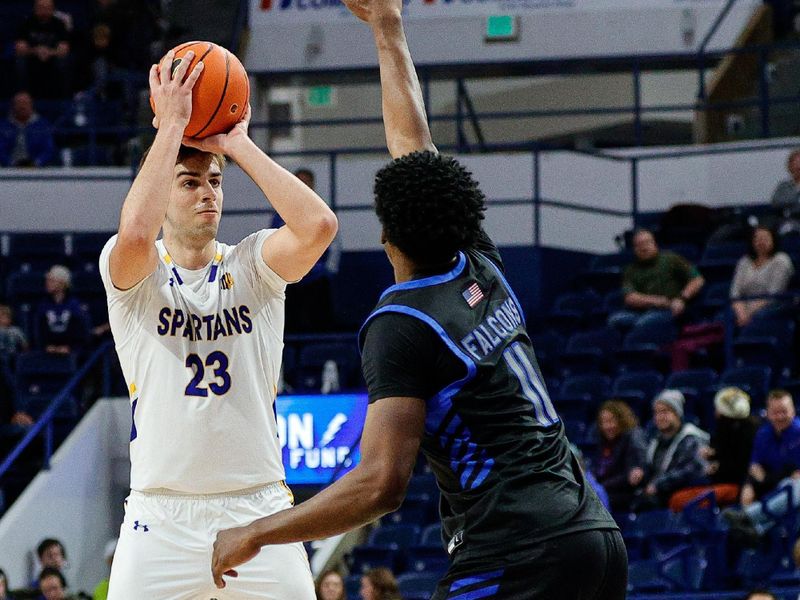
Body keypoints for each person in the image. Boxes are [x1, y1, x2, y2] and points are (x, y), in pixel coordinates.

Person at [210, 0, 627, 597]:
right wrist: (387, 27)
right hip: (593, 534)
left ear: (386, 235)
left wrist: (256, 532)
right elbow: (414, 143)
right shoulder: (476, 260)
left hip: (518, 549)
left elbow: (381, 484)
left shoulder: (402, 321)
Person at [99, 44, 337, 599]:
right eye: (189, 182)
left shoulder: (252, 265)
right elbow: (136, 233)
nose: (207, 192)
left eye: (215, 181)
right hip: (160, 515)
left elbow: (318, 227)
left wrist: (236, 143)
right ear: (161, 195)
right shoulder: (135, 269)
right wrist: (174, 125)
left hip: (257, 508)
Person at [723, 391, 800, 540]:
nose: (780, 417)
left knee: (793, 486)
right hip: (773, 488)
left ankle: (749, 516)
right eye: (775, 412)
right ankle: (758, 529)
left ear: (793, 410)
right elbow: (755, 469)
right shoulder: (763, 434)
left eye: (784, 412)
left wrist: (772, 477)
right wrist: (749, 484)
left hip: (790, 489)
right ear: (768, 413)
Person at [271, 168, 340, 333]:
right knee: (288, 327)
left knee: (321, 326)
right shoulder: (281, 211)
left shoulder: (322, 210)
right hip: (289, 278)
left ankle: (324, 356)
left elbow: (335, 242)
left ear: (312, 185)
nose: (303, 185)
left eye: (306, 182)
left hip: (316, 278)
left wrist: (327, 270)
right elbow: (273, 242)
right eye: (299, 181)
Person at [608, 229, 705, 331]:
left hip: (668, 309)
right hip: (640, 311)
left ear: (655, 244)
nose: (644, 247)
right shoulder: (630, 270)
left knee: (644, 323)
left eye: (647, 243)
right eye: (639, 245)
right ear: (634, 249)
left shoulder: (671, 259)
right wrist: (656, 301)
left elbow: (698, 280)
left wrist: (682, 298)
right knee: (614, 320)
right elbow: (630, 297)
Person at [634, 389, 709, 511]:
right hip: (658, 493)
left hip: (681, 494)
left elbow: (689, 471)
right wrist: (640, 472)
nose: (659, 417)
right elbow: (650, 468)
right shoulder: (655, 440)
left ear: (677, 413)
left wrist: (658, 485)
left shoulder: (691, 438)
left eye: (665, 412)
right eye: (656, 413)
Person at [730, 226, 794, 327]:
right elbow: (735, 293)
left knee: (758, 317)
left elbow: (773, 295)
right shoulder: (744, 261)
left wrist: (749, 312)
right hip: (744, 306)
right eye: (757, 239)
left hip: (772, 305)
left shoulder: (781, 260)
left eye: (765, 238)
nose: (761, 242)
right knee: (724, 317)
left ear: (773, 239)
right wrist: (741, 312)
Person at [592, 400, 647, 512]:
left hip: (624, 495)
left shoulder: (632, 437)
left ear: (621, 420)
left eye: (611, 421)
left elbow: (631, 476)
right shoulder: (603, 442)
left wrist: (602, 486)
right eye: (603, 422)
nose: (607, 426)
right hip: (604, 490)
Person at [14, 0, 72, 99]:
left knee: (63, 61)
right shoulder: (26, 23)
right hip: (31, 56)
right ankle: (23, 97)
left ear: (53, 9)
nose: (44, 11)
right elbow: (19, 48)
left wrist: (49, 52)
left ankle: (62, 98)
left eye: (47, 8)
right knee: (20, 61)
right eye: (41, 7)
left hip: (53, 57)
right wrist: (36, 51)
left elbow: (64, 49)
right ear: (35, 9)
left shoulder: (59, 24)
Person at [34, 266, 90, 355]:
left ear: (62, 283)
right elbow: (39, 330)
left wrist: (70, 347)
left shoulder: (74, 305)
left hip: (72, 353)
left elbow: (81, 331)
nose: (47, 283)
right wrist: (46, 346)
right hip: (47, 351)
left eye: (51, 280)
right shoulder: (42, 305)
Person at [0, 91, 57, 168]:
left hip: (37, 168)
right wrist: (10, 163)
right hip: (9, 168)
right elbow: (1, 150)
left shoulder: (42, 125)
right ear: (13, 106)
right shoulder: (3, 125)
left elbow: (48, 150)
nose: (22, 107)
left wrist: (36, 163)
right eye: (19, 103)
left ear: (31, 105)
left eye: (25, 103)